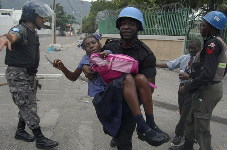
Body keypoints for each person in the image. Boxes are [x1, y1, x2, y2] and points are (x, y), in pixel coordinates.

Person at [53, 33, 166, 147]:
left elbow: (117, 63)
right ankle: (120, 135)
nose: (91, 46)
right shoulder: (84, 61)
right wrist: (63, 67)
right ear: (84, 49)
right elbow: (73, 77)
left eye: (93, 42)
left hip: (116, 90)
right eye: (87, 45)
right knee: (114, 124)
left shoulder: (108, 53)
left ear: (100, 43)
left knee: (138, 80)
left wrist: (106, 58)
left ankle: (147, 123)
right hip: (103, 97)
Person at [82, 7, 170, 150]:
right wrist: (86, 68)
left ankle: (145, 125)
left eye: (131, 24)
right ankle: (118, 135)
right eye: (123, 23)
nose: (126, 27)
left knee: (124, 142)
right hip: (111, 98)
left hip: (131, 104)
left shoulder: (146, 54)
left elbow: (150, 88)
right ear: (119, 26)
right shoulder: (110, 46)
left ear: (138, 27)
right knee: (115, 132)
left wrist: (132, 107)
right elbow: (94, 60)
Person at [0, 0, 59, 149]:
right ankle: (39, 138)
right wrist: (6, 37)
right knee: (27, 105)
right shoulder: (21, 29)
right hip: (18, 74)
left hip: (29, 74)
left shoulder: (33, 33)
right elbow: (13, 35)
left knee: (27, 104)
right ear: (31, 16)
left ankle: (20, 131)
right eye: (41, 17)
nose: (43, 19)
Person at [171, 11, 227, 150]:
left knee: (201, 124)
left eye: (203, 25)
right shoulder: (220, 42)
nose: (200, 27)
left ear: (211, 27)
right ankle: (187, 146)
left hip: (208, 88)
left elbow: (207, 74)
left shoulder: (212, 45)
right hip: (207, 86)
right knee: (190, 119)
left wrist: (188, 87)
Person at [156, 39, 201, 146]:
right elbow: (169, 64)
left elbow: (204, 76)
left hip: (193, 89)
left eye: (193, 48)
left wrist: (189, 77)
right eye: (189, 47)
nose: (190, 50)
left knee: (186, 114)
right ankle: (189, 134)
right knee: (183, 112)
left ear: (200, 48)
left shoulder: (203, 60)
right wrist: (152, 63)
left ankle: (179, 134)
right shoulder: (184, 58)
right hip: (182, 89)